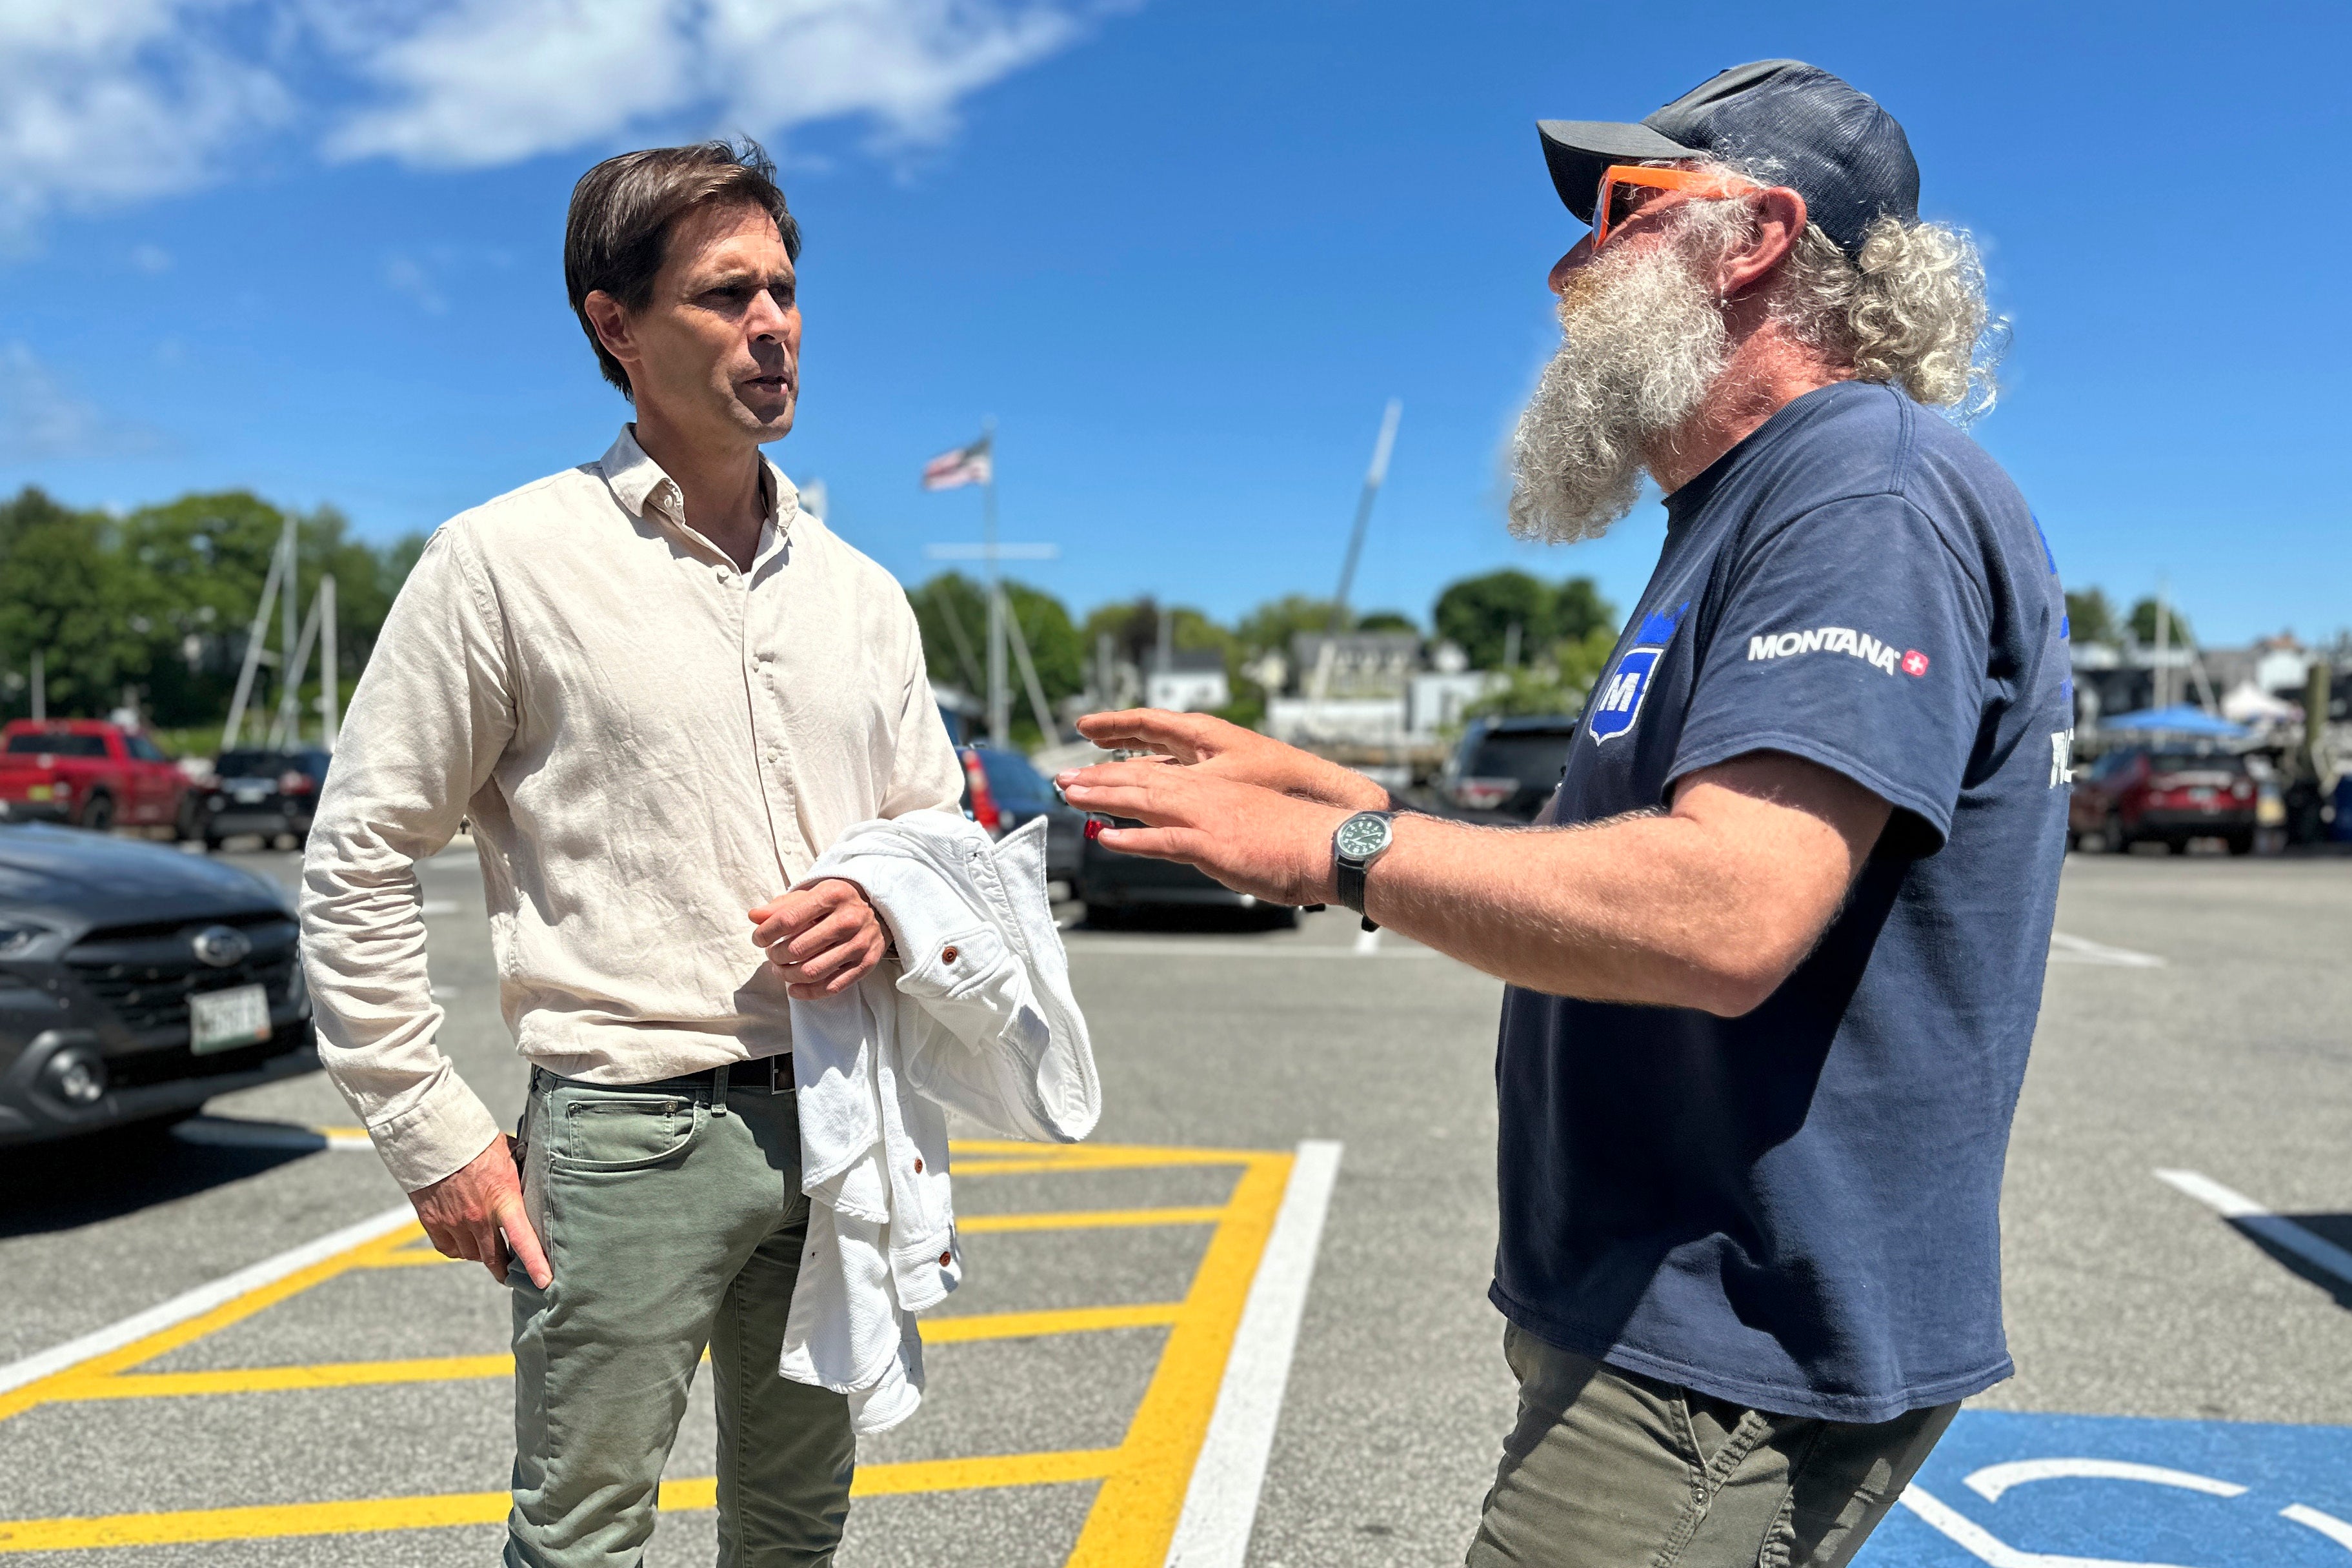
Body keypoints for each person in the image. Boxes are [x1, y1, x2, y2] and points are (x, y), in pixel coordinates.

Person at [1060, 61, 2068, 1568]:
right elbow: (1621, 867)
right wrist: (1340, 792)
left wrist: (1339, 857)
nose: (1567, 263)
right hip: (1661, 1315)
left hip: (1726, 1346)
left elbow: (1728, 908)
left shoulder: (1860, 492)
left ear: (1755, 239)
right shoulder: (1748, 508)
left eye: (1619, 209)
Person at [300, 139, 963, 1567]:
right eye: (727, 297)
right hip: (624, 1134)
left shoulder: (863, 596)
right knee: (584, 1538)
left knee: (796, 1526)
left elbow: (935, 832)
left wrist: (885, 905)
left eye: (784, 290)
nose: (773, 325)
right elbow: (359, 857)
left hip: (838, 1115)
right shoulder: (504, 563)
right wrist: (433, 1137)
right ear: (616, 326)